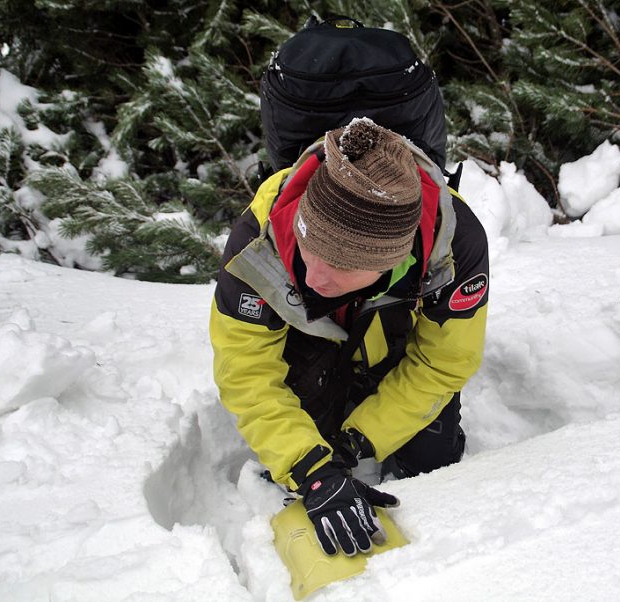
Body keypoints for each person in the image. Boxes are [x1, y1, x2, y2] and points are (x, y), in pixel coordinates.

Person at [209, 118, 488, 557]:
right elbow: (246, 372)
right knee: (301, 456)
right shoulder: (257, 238)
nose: (315, 277)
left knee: (432, 460)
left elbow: (444, 361)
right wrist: (312, 468)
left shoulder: (455, 243)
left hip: (391, 342)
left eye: (340, 267)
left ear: (391, 260)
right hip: (306, 344)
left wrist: (361, 438)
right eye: (309, 251)